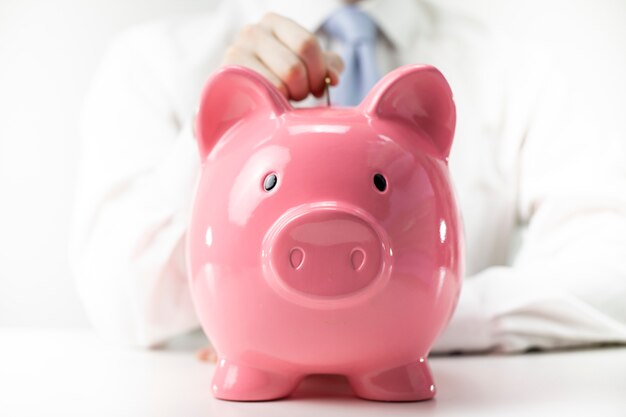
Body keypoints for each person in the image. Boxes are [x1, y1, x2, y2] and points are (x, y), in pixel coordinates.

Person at [69, 0, 626, 355]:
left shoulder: (513, 70)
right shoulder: (151, 62)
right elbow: (119, 297)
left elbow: (614, 266)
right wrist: (219, 138)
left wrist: (416, 325)